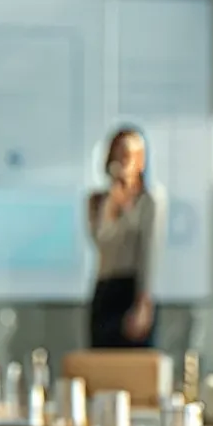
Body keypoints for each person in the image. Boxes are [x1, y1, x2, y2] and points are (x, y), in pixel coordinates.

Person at [86, 126, 162, 349]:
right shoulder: (97, 201)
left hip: (134, 290)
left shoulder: (150, 201)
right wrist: (113, 202)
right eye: (119, 155)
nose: (124, 161)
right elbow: (101, 241)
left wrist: (144, 302)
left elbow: (150, 251)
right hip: (105, 289)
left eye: (130, 155)